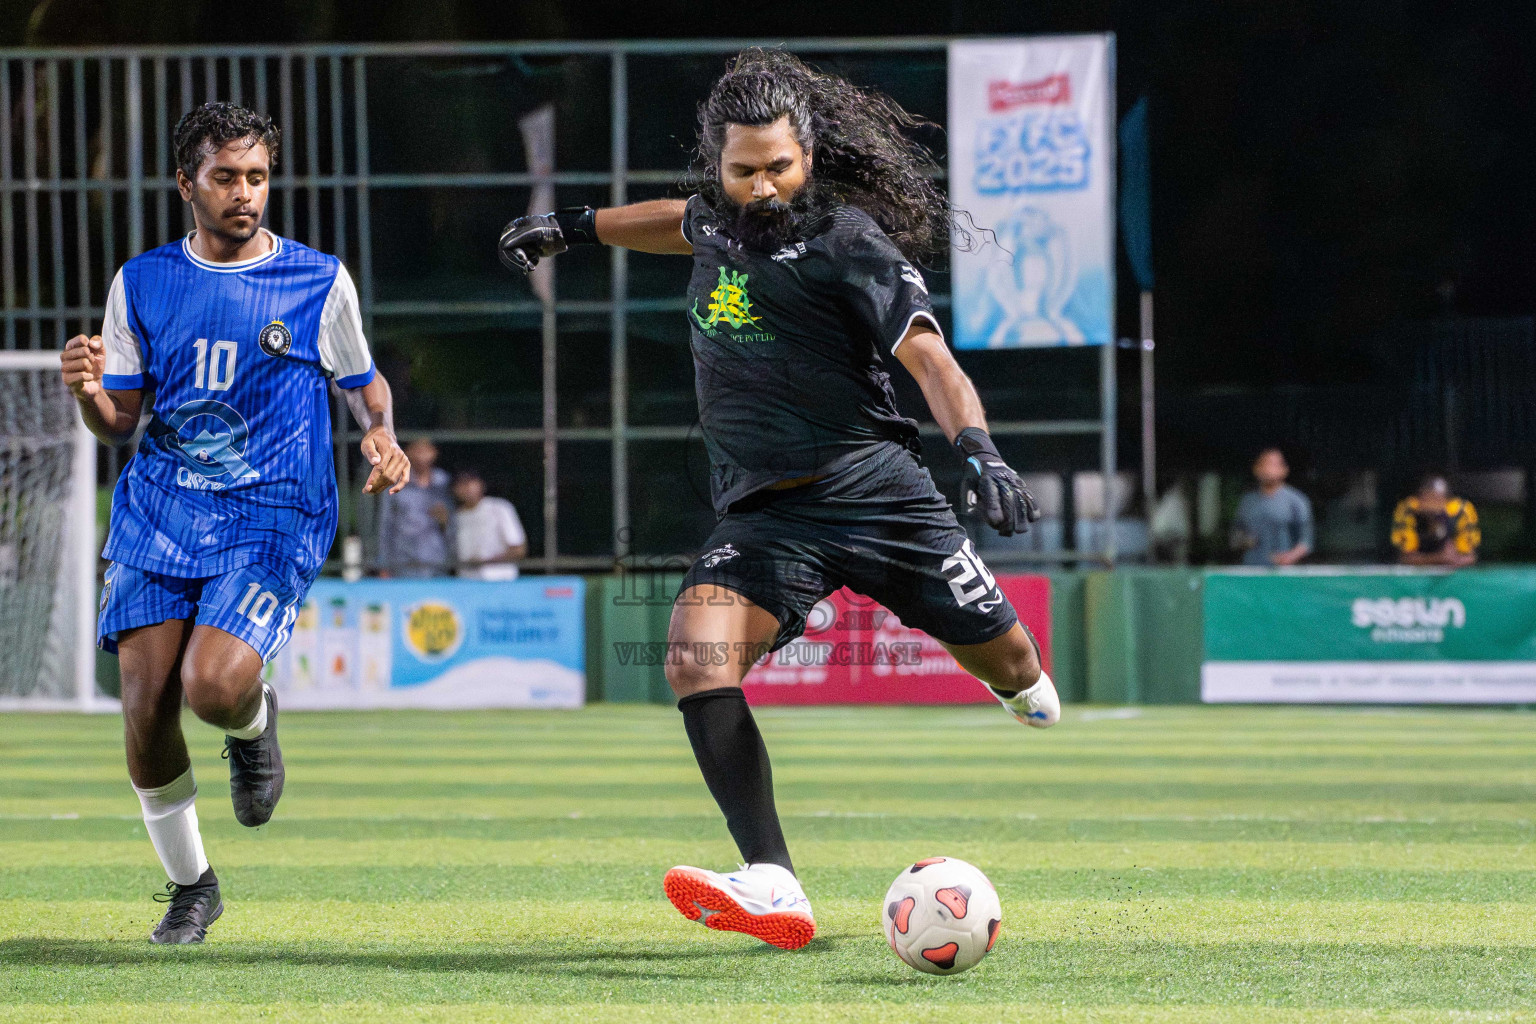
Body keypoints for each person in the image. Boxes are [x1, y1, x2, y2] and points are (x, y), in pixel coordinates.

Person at [499, 49, 1058, 952]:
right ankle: (772, 881)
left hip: (878, 492)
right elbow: (673, 221)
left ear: (809, 154)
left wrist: (979, 449)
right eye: (743, 170)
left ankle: (1015, 682)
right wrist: (574, 226)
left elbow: (929, 357)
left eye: (779, 167)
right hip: (768, 514)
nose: (761, 187)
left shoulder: (848, 241)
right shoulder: (713, 218)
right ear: (717, 165)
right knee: (694, 657)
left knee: (1018, 667)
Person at [57, 103, 408, 943]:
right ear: (187, 184)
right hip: (162, 508)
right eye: (225, 177)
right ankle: (193, 888)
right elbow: (120, 423)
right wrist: (88, 394)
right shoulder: (142, 282)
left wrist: (382, 433)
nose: (244, 192)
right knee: (146, 709)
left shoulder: (318, 280)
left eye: (256, 176)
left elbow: (364, 383)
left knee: (212, 686)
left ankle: (253, 722)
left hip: (274, 509)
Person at [377, 437, 454, 577]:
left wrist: (445, 521)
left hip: (437, 564)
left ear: (434, 453)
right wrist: (383, 565)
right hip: (404, 563)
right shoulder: (394, 483)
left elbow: (454, 526)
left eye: (426, 451)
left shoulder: (443, 482)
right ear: (407, 453)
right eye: (418, 451)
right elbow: (385, 525)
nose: (422, 456)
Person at [1231, 448, 1313, 566]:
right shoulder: (1247, 502)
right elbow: (1236, 535)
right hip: (1252, 569)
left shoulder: (1296, 501)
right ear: (1256, 469)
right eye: (1264, 464)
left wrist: (1289, 557)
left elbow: (1306, 541)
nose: (1268, 469)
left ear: (1284, 470)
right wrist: (1244, 541)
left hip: (1284, 570)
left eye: (1274, 464)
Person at [452, 467, 528, 580]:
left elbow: (518, 550)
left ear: (481, 484)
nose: (467, 488)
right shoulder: (455, 517)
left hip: (500, 580)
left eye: (471, 482)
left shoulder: (499, 508)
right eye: (461, 484)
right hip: (467, 583)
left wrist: (485, 562)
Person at [1392, 474, 1480, 566]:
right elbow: (1404, 558)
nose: (1432, 504)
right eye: (1428, 499)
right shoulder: (1409, 510)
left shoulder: (1460, 511)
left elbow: (1469, 556)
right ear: (1420, 498)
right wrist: (1440, 558)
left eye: (1437, 499)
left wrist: (1455, 559)